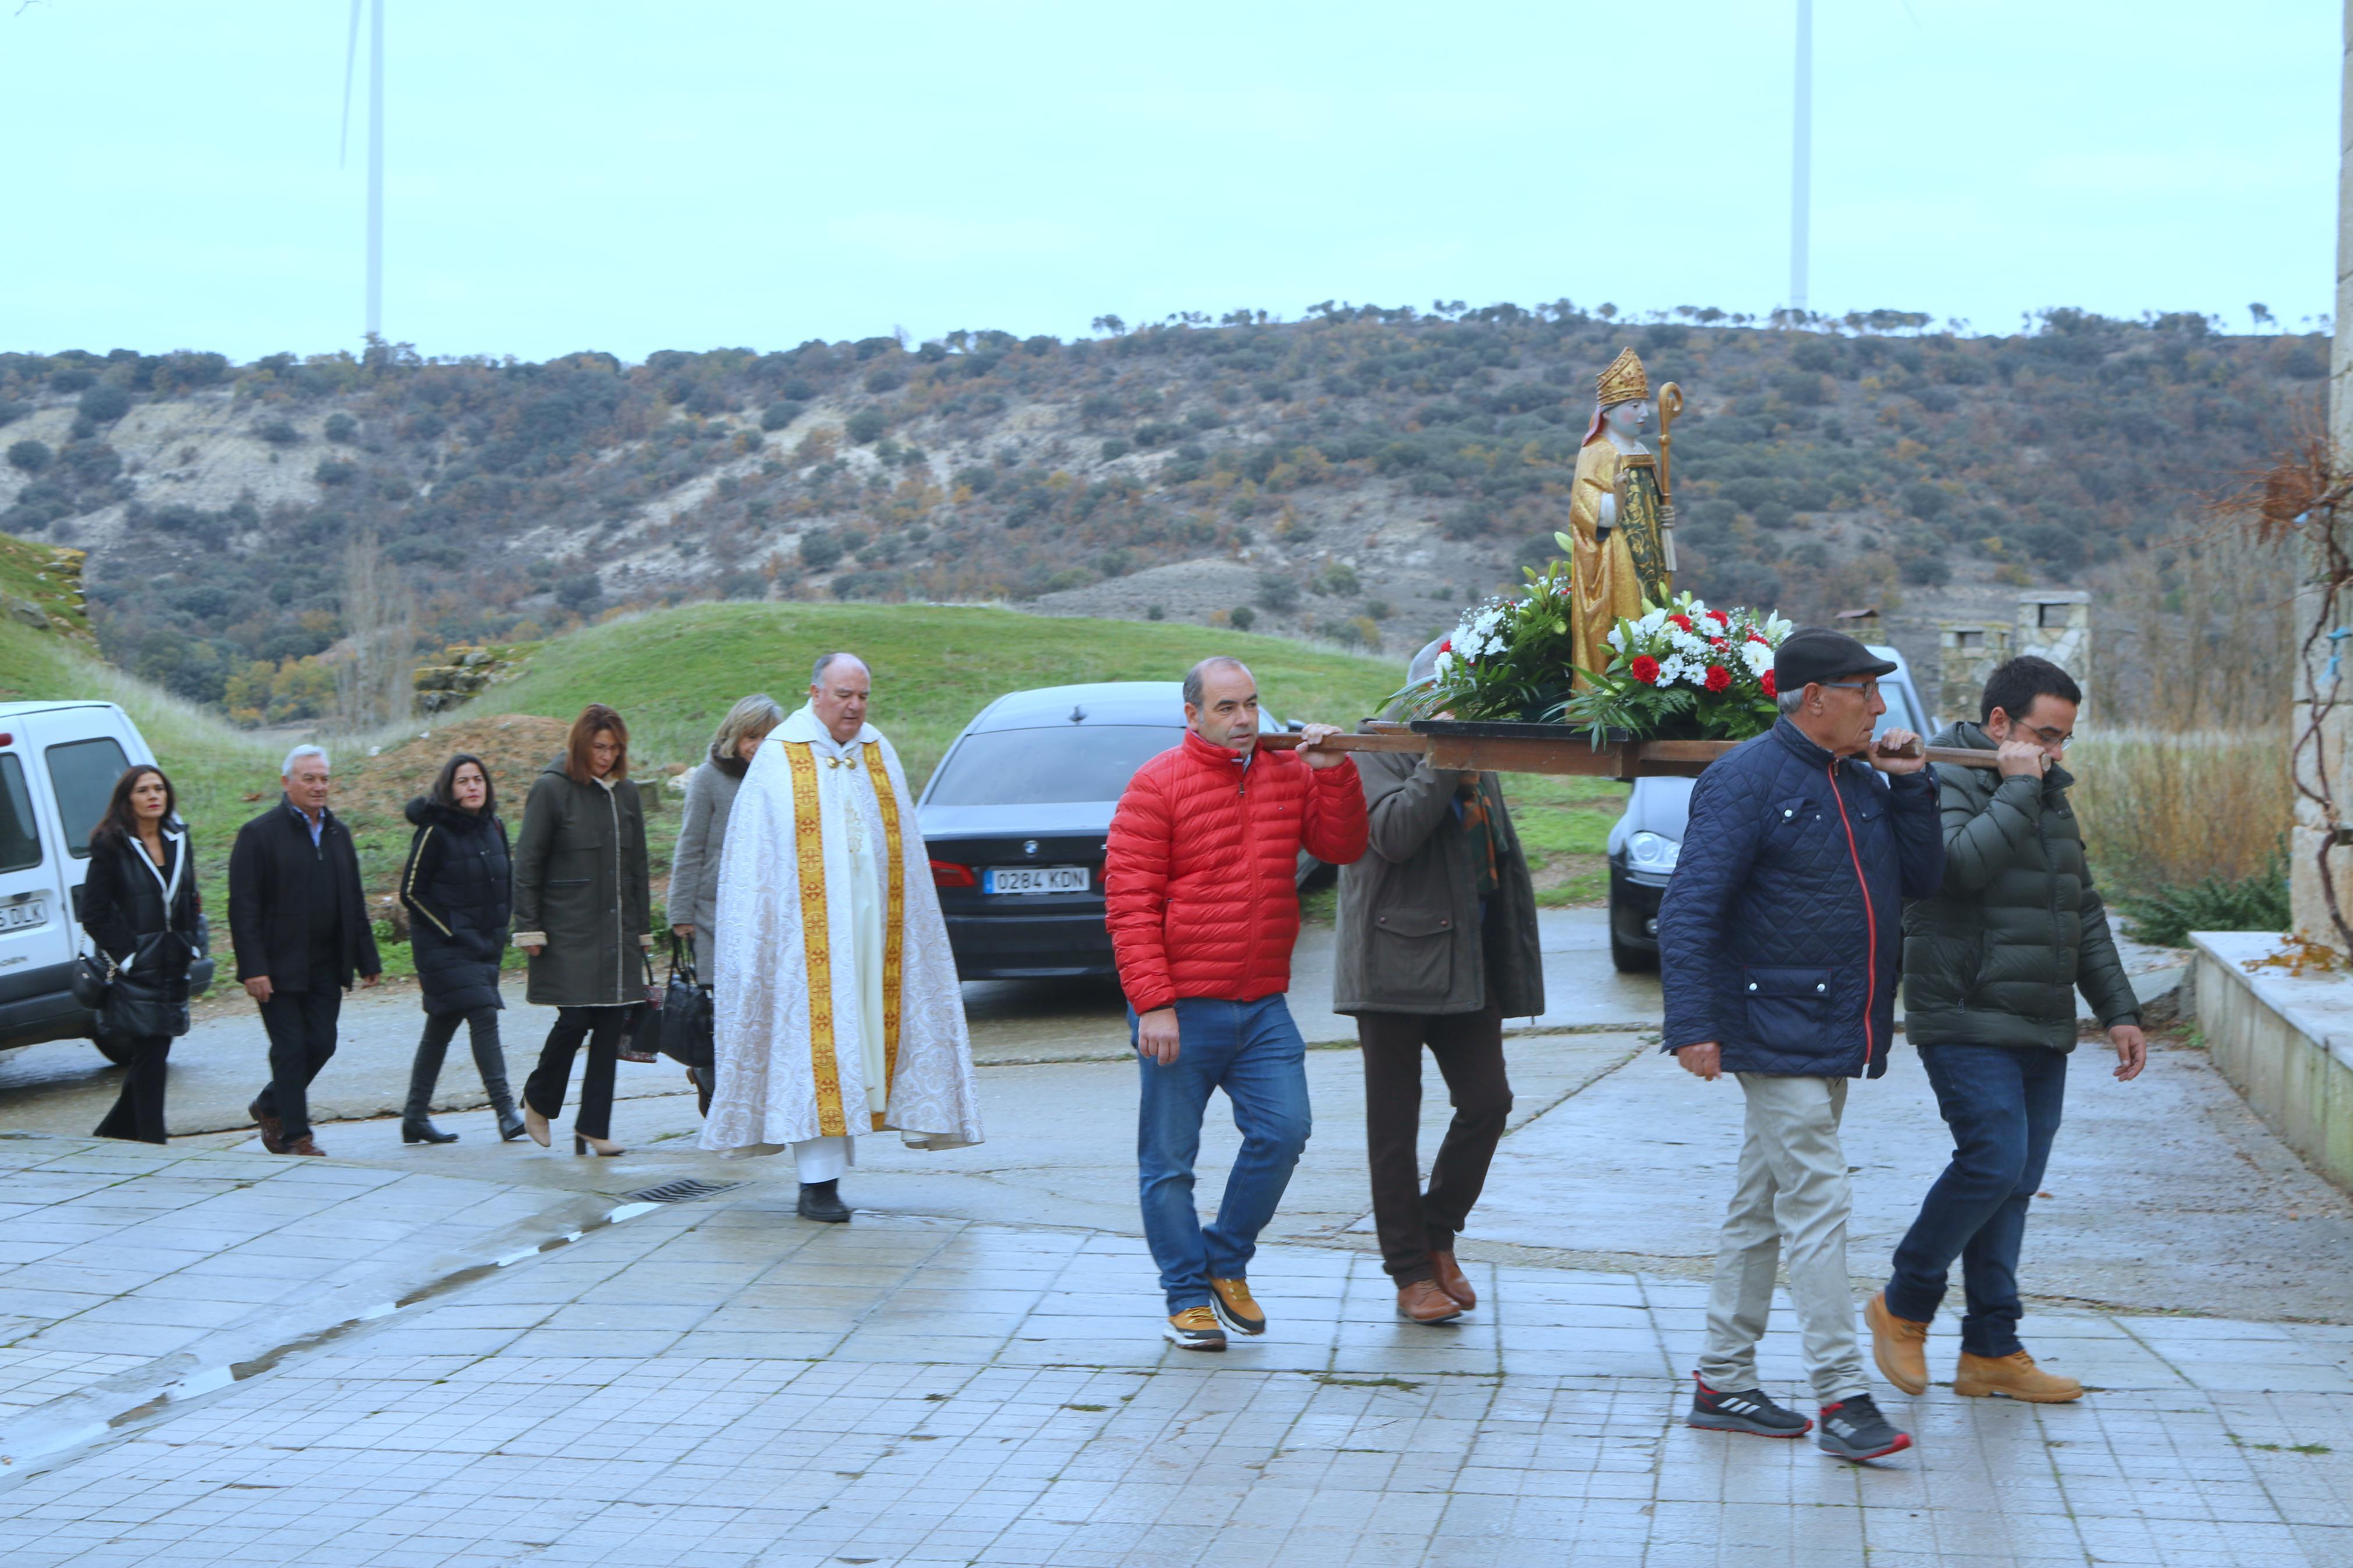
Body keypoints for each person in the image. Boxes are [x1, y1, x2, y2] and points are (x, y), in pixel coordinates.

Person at [1658, 628, 1942, 1462]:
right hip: (1769, 1027)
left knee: (1760, 1209)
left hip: (1829, 1026)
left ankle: (1721, 1379)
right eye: (1866, 690)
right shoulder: (1741, 780)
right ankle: (1841, 1394)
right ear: (1814, 697)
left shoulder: (1858, 781)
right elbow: (1687, 908)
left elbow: (1921, 881)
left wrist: (1913, 787)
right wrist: (1692, 1023)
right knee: (1818, 1201)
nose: (1880, 707)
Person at [1868, 656, 2145, 1405]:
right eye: (2044, 736)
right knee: (1991, 1162)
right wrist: (2020, 785)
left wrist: (2117, 1009)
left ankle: (1991, 1348)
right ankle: (1903, 1300)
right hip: (1964, 1008)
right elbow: (1954, 868)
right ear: (1998, 724)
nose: (2055, 753)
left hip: (2040, 1017)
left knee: (2014, 1185)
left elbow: (2078, 908)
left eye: (2063, 740)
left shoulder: (2049, 792)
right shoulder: (1939, 773)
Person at [1105, 656, 1367, 1351]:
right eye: (1226, 708)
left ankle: (1225, 1259)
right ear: (1191, 715)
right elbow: (1129, 905)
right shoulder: (1155, 784)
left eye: (1251, 704)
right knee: (1168, 1161)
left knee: (1284, 1131)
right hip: (1179, 1007)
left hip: (1260, 1004)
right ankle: (1185, 1295)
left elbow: (1342, 845)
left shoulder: (1288, 771)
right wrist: (1153, 1003)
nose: (1244, 719)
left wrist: (1336, 771)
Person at [701, 653, 982, 1219]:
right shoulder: (781, 757)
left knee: (861, 1048)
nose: (854, 706)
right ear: (815, 692)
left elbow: (900, 844)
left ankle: (832, 1170)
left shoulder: (877, 752)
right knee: (814, 1051)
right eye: (844, 695)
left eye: (862, 696)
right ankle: (817, 1184)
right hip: (803, 944)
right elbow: (754, 864)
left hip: (873, 934)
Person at [1334, 639, 1544, 1324]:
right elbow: (1392, 833)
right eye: (1463, 695)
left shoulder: (1472, 750)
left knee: (1488, 1102)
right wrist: (1444, 754)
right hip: (1390, 964)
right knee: (1393, 1128)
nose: (1473, 708)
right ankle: (1407, 1274)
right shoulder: (1377, 745)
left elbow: (1493, 856)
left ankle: (1436, 1235)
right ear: (1426, 694)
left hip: (1465, 964)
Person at [511, 704, 651, 1156]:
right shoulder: (551, 790)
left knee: (610, 1025)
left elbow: (638, 868)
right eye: (598, 747)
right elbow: (528, 862)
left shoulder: (626, 794)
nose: (606, 756)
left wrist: (642, 929)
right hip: (567, 929)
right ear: (580, 745)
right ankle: (538, 1098)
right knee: (574, 1019)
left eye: (614, 748)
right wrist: (529, 927)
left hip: (616, 933)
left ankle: (594, 1125)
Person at [230, 745, 381, 1157]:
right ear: (287, 783)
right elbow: (243, 908)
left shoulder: (338, 833)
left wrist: (367, 957)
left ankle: (271, 1104)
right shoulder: (259, 835)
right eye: (309, 778)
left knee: (322, 1042)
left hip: (325, 964)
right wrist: (253, 967)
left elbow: (353, 899)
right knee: (291, 1047)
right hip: (277, 967)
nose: (319, 787)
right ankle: (296, 1136)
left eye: (324, 778)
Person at [396, 753, 524, 1145]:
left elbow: (505, 883)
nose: (472, 786)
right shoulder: (435, 831)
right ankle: (506, 1112)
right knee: (484, 1013)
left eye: (478, 780)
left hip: (484, 946)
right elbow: (410, 892)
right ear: (449, 789)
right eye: (463, 781)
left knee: (441, 1027)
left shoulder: (495, 826)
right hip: (444, 948)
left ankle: (414, 1116)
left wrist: (500, 931)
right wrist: (451, 930)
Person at [668, 693, 784, 1112]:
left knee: (761, 1012)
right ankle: (717, 1094)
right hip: (714, 914)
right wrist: (680, 914)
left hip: (766, 916)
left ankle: (748, 1096)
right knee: (721, 1016)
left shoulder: (782, 777)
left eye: (767, 737)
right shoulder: (708, 778)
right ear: (734, 736)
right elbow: (690, 846)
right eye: (751, 736)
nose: (757, 745)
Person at [80, 765, 201, 1144]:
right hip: (138, 967)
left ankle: (114, 1131)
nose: (154, 795)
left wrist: (193, 943)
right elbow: (94, 912)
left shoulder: (178, 840)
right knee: (152, 1046)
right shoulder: (110, 844)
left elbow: (190, 898)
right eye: (144, 790)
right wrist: (129, 955)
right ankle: (152, 1138)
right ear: (127, 800)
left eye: (159, 788)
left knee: (156, 1047)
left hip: (174, 961)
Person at [1566, 347, 1674, 685]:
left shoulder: (1643, 452)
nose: (1644, 413)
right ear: (1609, 413)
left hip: (1650, 559)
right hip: (1615, 560)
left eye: (1644, 405)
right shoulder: (1596, 453)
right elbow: (1586, 514)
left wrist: (1663, 516)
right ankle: (1611, 693)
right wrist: (1616, 497)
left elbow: (1649, 505)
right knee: (1621, 631)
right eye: (1634, 406)